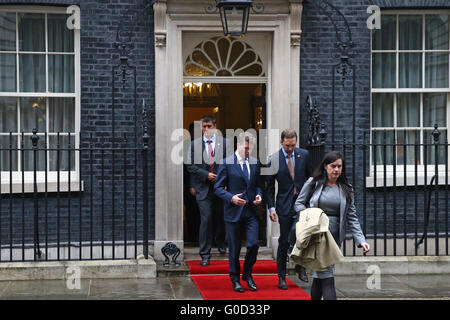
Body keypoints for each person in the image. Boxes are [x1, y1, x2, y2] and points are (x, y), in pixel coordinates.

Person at [294, 151, 370, 300]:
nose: (336, 170)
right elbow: (298, 203)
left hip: (334, 238)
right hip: (317, 236)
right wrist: (310, 216)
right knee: (327, 276)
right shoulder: (313, 183)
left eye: (339, 166)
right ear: (325, 167)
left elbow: (351, 216)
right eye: (333, 166)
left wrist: (361, 240)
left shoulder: (345, 188)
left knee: (319, 274)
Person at [214, 132, 263, 293]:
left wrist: (259, 195)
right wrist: (231, 198)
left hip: (250, 211)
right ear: (238, 145)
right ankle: (235, 279)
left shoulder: (255, 163)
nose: (248, 151)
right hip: (233, 211)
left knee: (253, 244)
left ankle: (247, 274)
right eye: (246, 148)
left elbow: (258, 185)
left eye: (251, 148)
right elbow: (218, 188)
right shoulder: (226, 163)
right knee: (234, 249)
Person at [266, 129, 313, 290]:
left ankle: (300, 266)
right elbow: (269, 187)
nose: (290, 149)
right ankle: (281, 276)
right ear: (281, 142)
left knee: (302, 237)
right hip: (284, 205)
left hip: (302, 204)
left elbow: (311, 179)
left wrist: (311, 202)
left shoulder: (304, 155)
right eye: (287, 145)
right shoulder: (273, 159)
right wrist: (271, 207)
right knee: (284, 240)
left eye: (292, 145)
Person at [186, 115, 227, 266]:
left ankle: (221, 242)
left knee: (221, 217)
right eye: (204, 127)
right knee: (206, 219)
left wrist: (226, 181)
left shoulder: (225, 143)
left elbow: (229, 163)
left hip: (221, 187)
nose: (207, 129)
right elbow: (190, 166)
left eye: (209, 126)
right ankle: (205, 253)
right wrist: (206, 175)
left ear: (215, 127)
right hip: (203, 188)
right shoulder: (193, 145)